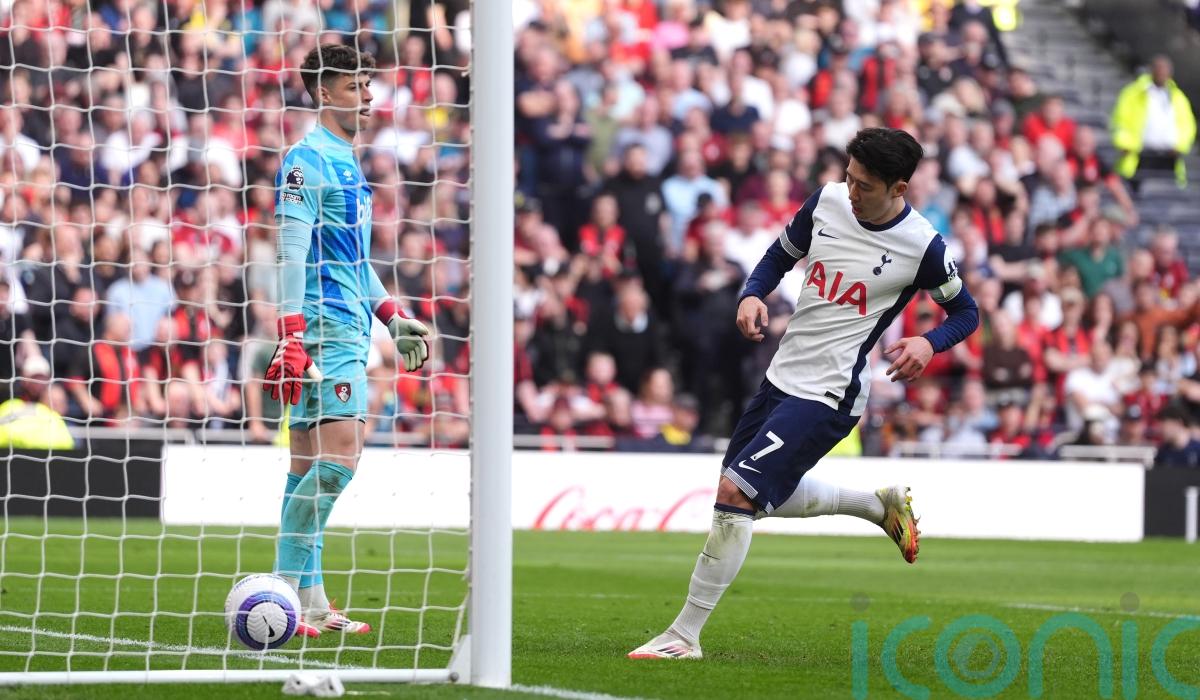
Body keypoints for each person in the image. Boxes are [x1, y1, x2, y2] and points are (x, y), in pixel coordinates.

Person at [629, 128, 979, 660]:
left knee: (736, 494)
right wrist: (752, 293)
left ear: (899, 188)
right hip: (782, 375)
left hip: (831, 391)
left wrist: (930, 343)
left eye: (864, 185)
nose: (851, 190)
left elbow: (966, 312)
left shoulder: (922, 246)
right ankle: (875, 506)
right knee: (746, 496)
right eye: (849, 177)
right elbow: (779, 255)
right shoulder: (827, 202)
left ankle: (684, 636)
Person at [267, 44, 431, 639]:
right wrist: (290, 333)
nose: (366, 95)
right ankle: (280, 593)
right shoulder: (305, 160)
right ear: (323, 92)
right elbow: (290, 251)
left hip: (348, 324)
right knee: (338, 464)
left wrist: (391, 316)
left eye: (367, 84)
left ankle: (309, 603)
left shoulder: (347, 162)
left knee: (307, 467)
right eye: (354, 85)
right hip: (323, 329)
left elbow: (354, 260)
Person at [1110, 55, 1197, 190]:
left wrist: (1180, 146)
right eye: (1159, 68)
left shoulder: (1178, 97)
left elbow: (1188, 125)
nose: (1162, 73)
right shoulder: (1133, 93)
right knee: (1136, 190)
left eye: (1165, 69)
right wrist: (1126, 144)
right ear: (1151, 70)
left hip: (1169, 156)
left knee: (1169, 193)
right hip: (1140, 154)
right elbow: (1119, 121)